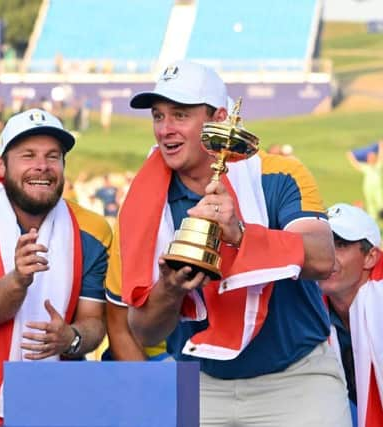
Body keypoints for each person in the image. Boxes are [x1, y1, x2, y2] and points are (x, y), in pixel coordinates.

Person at [107, 61, 350, 426]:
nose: (165, 129)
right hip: (202, 383)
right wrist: (170, 291)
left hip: (297, 377)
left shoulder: (278, 174)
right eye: (158, 117)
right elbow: (144, 330)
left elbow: (322, 256)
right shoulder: (145, 203)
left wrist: (241, 233)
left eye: (180, 115)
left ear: (220, 118)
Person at [0, 108, 111, 426]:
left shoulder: (93, 229)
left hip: (60, 396)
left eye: (53, 156)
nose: (42, 167)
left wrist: (71, 338)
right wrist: (18, 280)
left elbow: (94, 322)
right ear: (1, 166)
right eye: (28, 155)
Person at [319, 203, 383, 427]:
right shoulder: (308, 311)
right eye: (324, 244)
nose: (327, 255)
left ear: (370, 257)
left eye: (341, 244)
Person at [346, 141, 383, 219]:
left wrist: (380, 147)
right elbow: (355, 164)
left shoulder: (378, 166)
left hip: (378, 188)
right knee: (370, 204)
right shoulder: (366, 167)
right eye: (370, 157)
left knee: (380, 201)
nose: (371, 158)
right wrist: (350, 156)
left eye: (373, 157)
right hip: (368, 188)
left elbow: (381, 156)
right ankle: (373, 219)